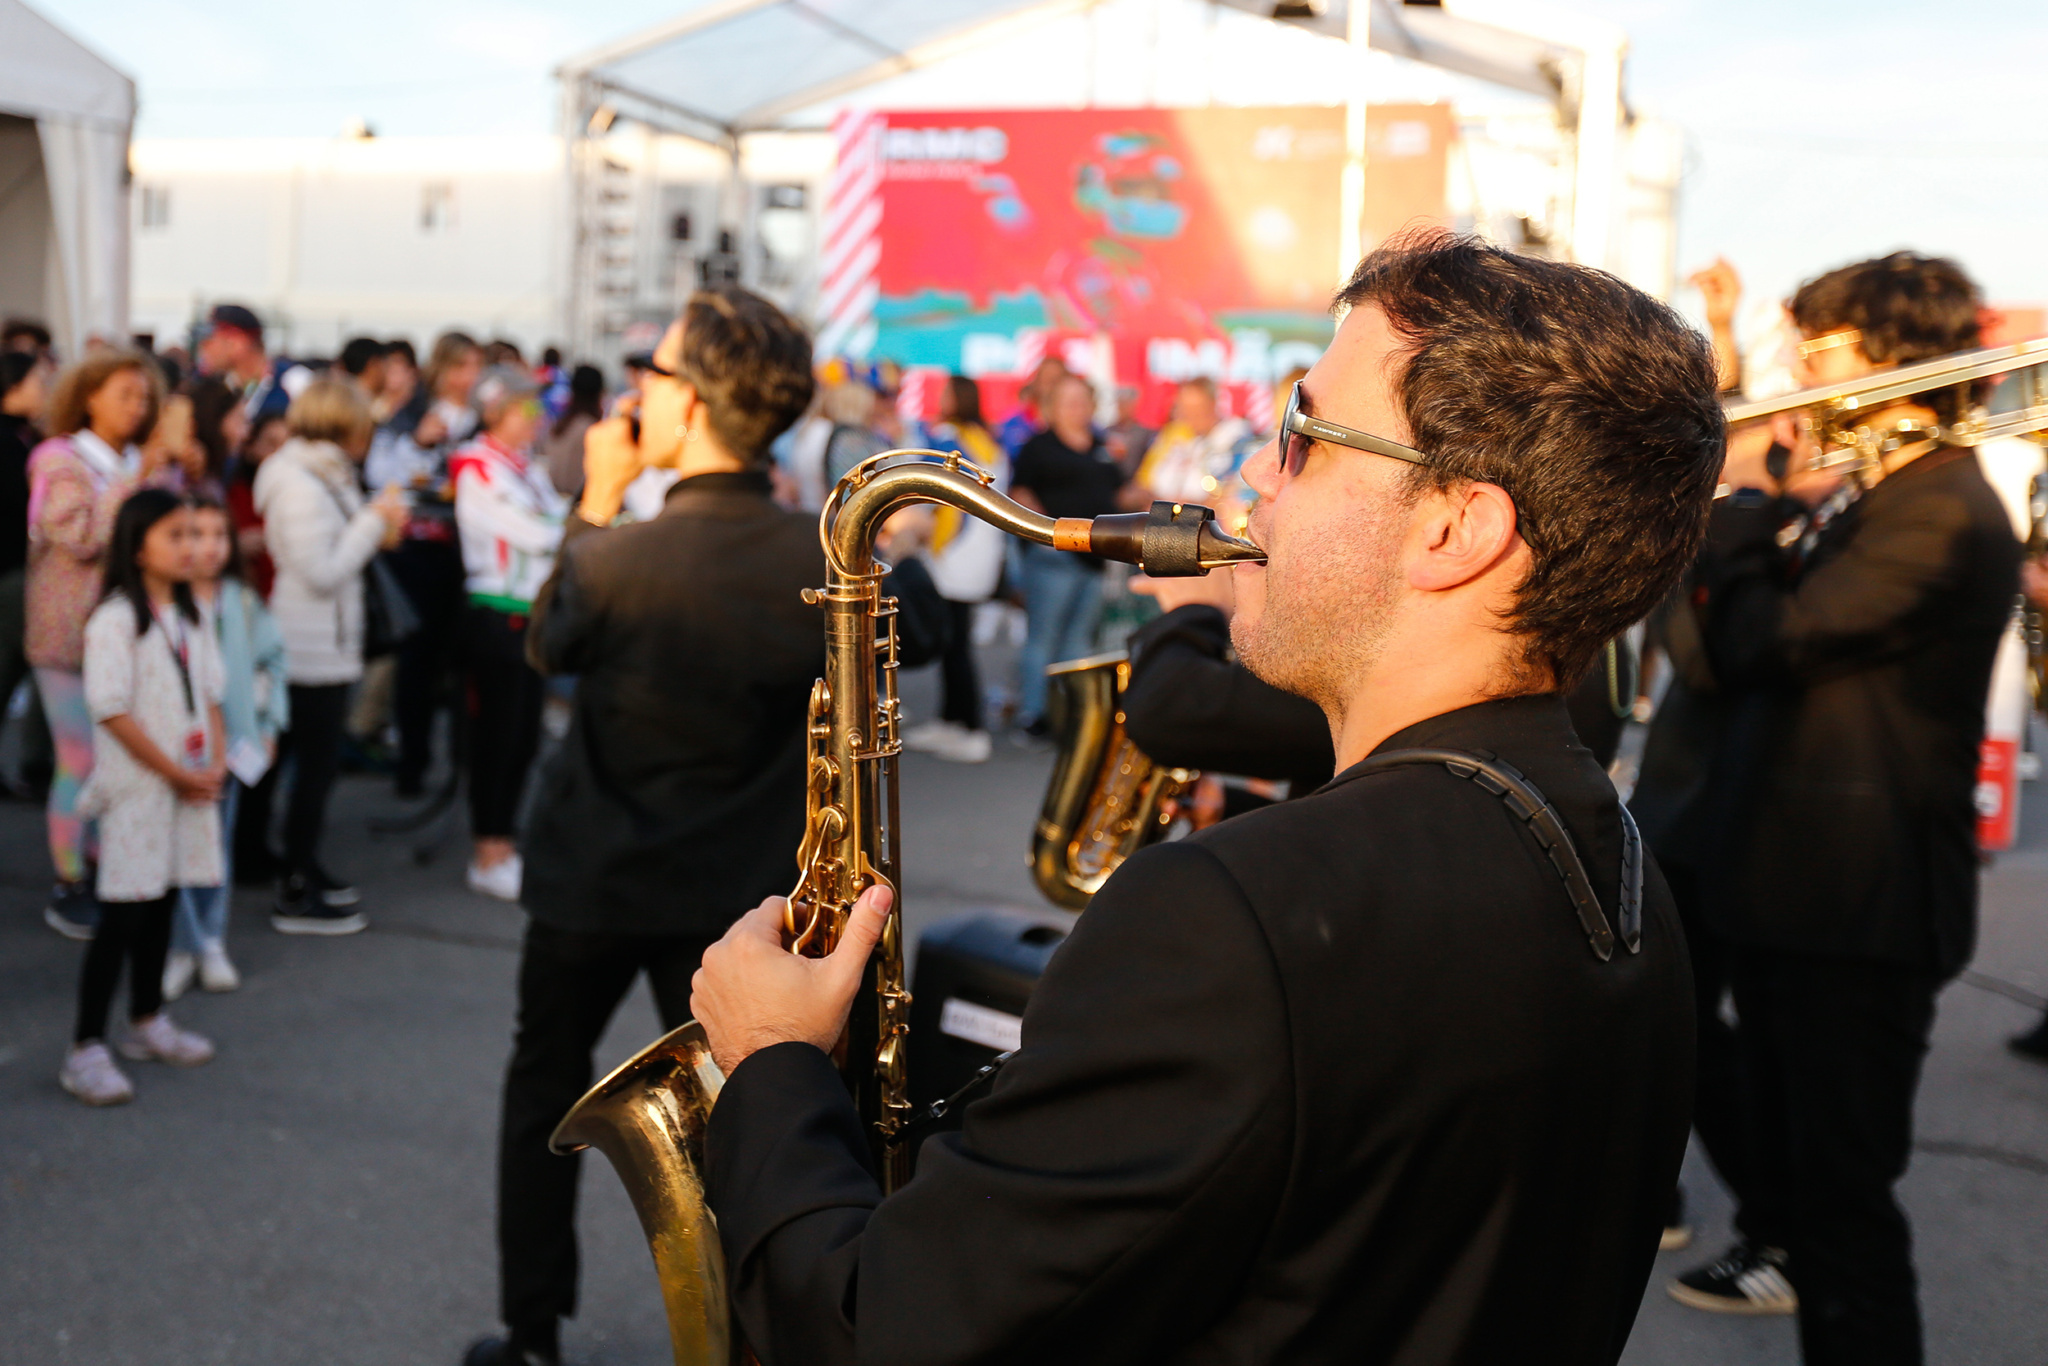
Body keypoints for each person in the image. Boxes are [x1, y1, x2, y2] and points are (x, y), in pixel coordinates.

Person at [686, 232, 1722, 1365]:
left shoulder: (1228, 920)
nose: (1250, 488)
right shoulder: (1620, 862)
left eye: (1298, 437)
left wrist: (774, 1060)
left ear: (1453, 527)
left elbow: (873, 1333)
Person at [1669, 253, 2021, 1365]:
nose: (1799, 380)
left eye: (1821, 359)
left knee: (1844, 1217)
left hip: (1853, 918)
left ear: (1896, 364)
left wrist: (1742, 502)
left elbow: (1759, 640)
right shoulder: (1882, 495)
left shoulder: (1943, 512)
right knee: (1811, 1204)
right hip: (1793, 904)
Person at [462, 286, 819, 1366]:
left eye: (655, 372)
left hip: (592, 878)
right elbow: (930, 632)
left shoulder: (619, 556)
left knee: (543, 1087)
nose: (636, 390)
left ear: (696, 400)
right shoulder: (818, 554)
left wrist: (597, 501)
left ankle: (530, 1335)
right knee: (750, 1125)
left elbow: (548, 643)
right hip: (738, 897)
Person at [60, 489, 224, 1105]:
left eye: (194, 535)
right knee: (124, 911)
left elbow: (210, 692)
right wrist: (175, 772)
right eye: (175, 536)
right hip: (138, 791)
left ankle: (147, 1017)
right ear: (137, 545)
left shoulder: (191, 614)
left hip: (185, 785)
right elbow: (112, 711)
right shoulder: (115, 620)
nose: (191, 548)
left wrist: (213, 759)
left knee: (165, 898)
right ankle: (85, 1047)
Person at [254, 380, 407, 932]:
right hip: (309, 644)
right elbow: (320, 571)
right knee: (311, 769)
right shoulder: (302, 482)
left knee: (286, 763)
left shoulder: (314, 473)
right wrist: (373, 522)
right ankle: (296, 883)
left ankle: (279, 864)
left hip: (315, 638)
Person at [28, 351, 171, 939]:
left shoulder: (139, 460)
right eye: (124, 395)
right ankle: (69, 881)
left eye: (144, 397)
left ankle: (100, 861)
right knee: (79, 758)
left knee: (117, 757)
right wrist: (136, 483)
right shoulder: (59, 459)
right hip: (66, 636)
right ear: (88, 396)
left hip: (129, 631)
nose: (137, 408)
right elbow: (79, 537)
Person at [162, 497, 288, 999]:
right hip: (171, 747)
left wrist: (270, 728)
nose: (210, 546)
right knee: (176, 848)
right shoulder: (163, 600)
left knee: (217, 845)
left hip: (231, 745)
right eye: (196, 534)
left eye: (220, 535)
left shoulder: (241, 600)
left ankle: (210, 941)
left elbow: (271, 663)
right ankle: (181, 943)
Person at [449, 366, 566, 901]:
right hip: (497, 615)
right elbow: (538, 535)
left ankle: (504, 844)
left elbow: (558, 518)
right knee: (497, 738)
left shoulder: (522, 467)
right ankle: (487, 851)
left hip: (529, 615)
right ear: (497, 412)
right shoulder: (477, 466)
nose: (538, 418)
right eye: (527, 408)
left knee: (521, 737)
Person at [368, 331, 483, 797]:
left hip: (466, 551)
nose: (469, 378)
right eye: (462, 367)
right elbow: (379, 473)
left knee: (456, 659)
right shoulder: (412, 412)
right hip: (417, 551)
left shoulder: (481, 419)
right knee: (414, 660)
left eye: (476, 367)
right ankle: (412, 762)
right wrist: (417, 442)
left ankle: (460, 761)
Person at [1009, 373, 1141, 734]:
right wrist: (1047, 533)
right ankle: (1034, 714)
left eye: (1083, 401)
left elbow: (1120, 493)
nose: (1076, 409)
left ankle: (1066, 714)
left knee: (1078, 639)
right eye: (1069, 402)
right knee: (1044, 637)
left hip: (1096, 556)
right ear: (1052, 408)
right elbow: (1020, 494)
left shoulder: (1101, 446)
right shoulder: (1038, 446)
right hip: (1055, 557)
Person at [901, 374, 1007, 764]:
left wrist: (930, 542)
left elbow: (934, 494)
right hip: (982, 550)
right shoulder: (988, 438)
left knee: (955, 645)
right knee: (955, 641)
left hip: (954, 552)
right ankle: (952, 719)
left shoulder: (947, 436)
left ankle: (970, 725)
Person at [2, 350, 55, 797]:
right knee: (41, 666)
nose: (45, 391)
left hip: (18, 572)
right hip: (13, 574)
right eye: (37, 383)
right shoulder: (12, 445)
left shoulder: (24, 439)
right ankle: (38, 764)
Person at [1138, 376, 1254, 504]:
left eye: (1197, 410)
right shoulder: (1180, 437)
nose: (1190, 418)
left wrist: (1187, 508)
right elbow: (1148, 484)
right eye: (1185, 410)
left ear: (1212, 404)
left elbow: (1231, 492)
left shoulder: (1235, 437)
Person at [195, 303, 309, 428]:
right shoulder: (217, 389)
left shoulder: (296, 382)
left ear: (237, 343)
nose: (203, 346)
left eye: (209, 338)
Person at [538, 365, 604, 499]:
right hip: (574, 501)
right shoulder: (591, 429)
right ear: (601, 392)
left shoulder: (561, 424)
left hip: (552, 496)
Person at [996, 355, 1069, 457]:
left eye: (1056, 379)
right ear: (1037, 381)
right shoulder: (1014, 420)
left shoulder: (1080, 423)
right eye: (1046, 378)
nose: (1051, 384)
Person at [1103, 382, 1156, 479]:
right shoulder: (1106, 432)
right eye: (1121, 403)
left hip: (1134, 481)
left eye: (1126, 404)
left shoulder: (1145, 433)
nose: (1122, 408)